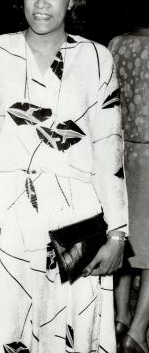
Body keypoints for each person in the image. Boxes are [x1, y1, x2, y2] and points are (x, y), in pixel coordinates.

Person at [0, 0, 128, 353]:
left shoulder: (96, 58)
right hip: (4, 215)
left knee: (68, 327)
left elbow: (109, 148)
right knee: (3, 327)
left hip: (77, 217)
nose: (42, 3)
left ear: (72, 1)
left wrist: (118, 234)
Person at [109, 27, 149, 353]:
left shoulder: (117, 43)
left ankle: (120, 318)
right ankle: (137, 332)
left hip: (122, 153)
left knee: (127, 244)